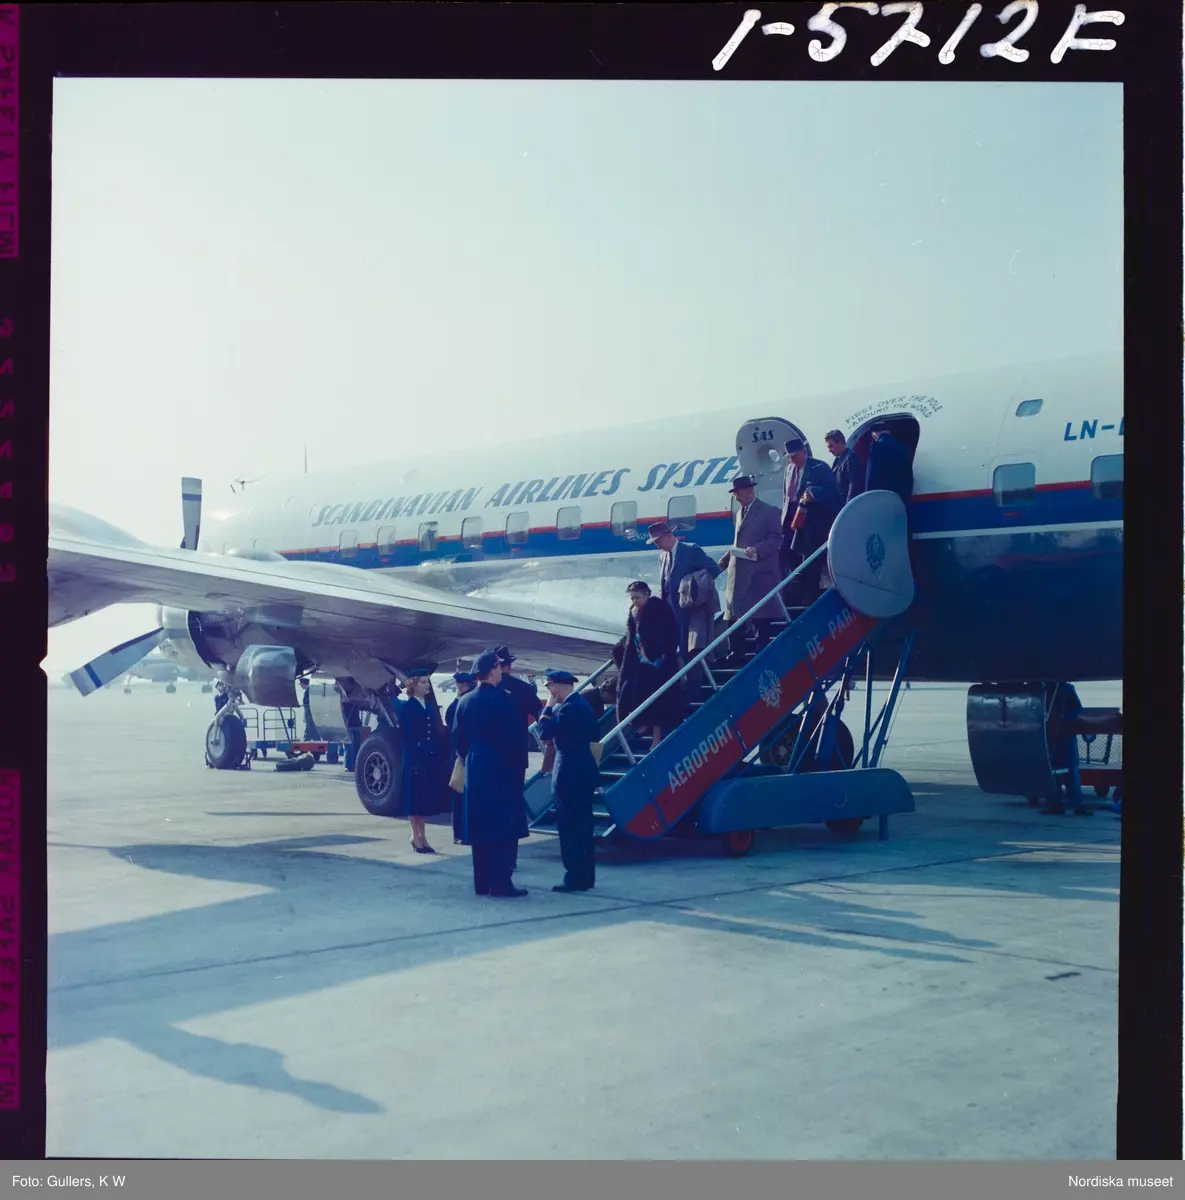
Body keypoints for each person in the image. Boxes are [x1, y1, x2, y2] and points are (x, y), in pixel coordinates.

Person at [454, 649, 530, 898]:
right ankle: (500, 883)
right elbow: (515, 738)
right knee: (502, 826)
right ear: (491, 671)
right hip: (501, 767)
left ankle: (482, 883)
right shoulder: (504, 700)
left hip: (475, 766)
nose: (501, 671)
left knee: (480, 825)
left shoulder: (465, 701)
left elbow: (458, 739)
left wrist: (471, 756)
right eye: (498, 667)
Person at [536, 669, 599, 893]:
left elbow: (544, 731)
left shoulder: (568, 709)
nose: (550, 692)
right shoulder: (583, 706)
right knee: (584, 826)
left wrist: (547, 708)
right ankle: (587, 876)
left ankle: (574, 877)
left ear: (558, 686)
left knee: (569, 827)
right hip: (584, 770)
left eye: (550, 687)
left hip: (568, 773)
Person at [717, 475, 783, 666]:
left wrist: (758, 549)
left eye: (737, 493)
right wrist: (725, 559)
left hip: (758, 571)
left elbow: (776, 539)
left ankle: (762, 651)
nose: (736, 497)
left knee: (760, 615)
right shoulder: (740, 513)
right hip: (739, 571)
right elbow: (738, 542)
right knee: (734, 614)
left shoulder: (769, 511)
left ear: (749, 490)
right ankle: (735, 651)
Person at [614, 580, 684, 747]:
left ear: (647, 595)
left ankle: (656, 737)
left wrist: (663, 653)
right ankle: (641, 723)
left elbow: (670, 632)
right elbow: (631, 635)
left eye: (637, 597)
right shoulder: (634, 612)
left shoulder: (658, 609)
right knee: (631, 691)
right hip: (642, 661)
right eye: (632, 598)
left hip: (659, 662)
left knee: (659, 698)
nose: (634, 601)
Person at [648, 521, 723, 661]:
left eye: (658, 541)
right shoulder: (662, 557)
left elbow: (713, 570)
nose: (656, 545)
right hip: (671, 612)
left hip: (692, 609)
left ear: (668, 535)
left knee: (694, 647)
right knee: (677, 648)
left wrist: (694, 586)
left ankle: (699, 673)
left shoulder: (691, 550)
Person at [394, 668, 452, 853]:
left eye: (427, 682)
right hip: (414, 760)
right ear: (414, 685)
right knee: (414, 799)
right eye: (423, 682)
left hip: (427, 759)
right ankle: (415, 835)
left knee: (423, 800)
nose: (427, 685)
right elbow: (407, 738)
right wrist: (416, 759)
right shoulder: (407, 707)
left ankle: (423, 836)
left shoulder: (428, 706)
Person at [779, 437, 842, 594]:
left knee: (809, 556)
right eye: (790, 457)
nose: (793, 460)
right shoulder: (789, 470)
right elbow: (785, 496)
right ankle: (796, 587)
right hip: (791, 518)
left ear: (803, 451)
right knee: (785, 552)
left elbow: (833, 493)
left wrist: (814, 494)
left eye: (795, 456)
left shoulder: (819, 467)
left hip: (811, 519)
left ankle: (810, 593)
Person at [1043, 682, 1091, 817]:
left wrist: (1064, 718)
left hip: (1065, 734)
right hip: (1051, 735)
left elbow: (1077, 708)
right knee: (1053, 771)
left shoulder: (1065, 688)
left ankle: (1077, 804)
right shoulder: (1044, 688)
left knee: (1070, 769)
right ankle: (1055, 803)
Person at [445, 671, 476, 845]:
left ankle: (465, 832)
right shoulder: (455, 707)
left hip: (465, 755)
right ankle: (459, 833)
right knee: (459, 795)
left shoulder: (463, 704)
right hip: (461, 757)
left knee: (466, 797)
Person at [495, 646, 544, 736]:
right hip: (516, 742)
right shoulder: (524, 688)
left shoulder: (484, 689)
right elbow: (540, 716)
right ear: (509, 666)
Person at [865, 423, 913, 504]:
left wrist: (868, 498)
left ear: (874, 435)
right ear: (889, 432)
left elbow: (871, 478)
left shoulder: (876, 448)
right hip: (903, 498)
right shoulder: (903, 448)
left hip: (884, 499)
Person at [824, 430, 865, 506]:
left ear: (840, 443)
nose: (829, 450)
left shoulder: (851, 458)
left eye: (831, 446)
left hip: (849, 505)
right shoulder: (838, 459)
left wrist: (848, 506)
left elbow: (854, 485)